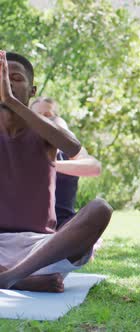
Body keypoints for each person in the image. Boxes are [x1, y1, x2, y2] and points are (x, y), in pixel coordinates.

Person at [0, 51, 112, 292]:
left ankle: (12, 277)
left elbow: (73, 146)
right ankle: (20, 280)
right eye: (1, 75)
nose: (7, 82)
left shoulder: (45, 131)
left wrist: (11, 102)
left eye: (16, 77)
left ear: (32, 90)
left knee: (100, 209)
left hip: (39, 250)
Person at [31, 97, 102, 229]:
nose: (42, 120)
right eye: (36, 116)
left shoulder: (69, 150)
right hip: (27, 223)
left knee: (100, 208)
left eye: (48, 115)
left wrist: (50, 165)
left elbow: (95, 168)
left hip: (63, 224)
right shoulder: (19, 146)